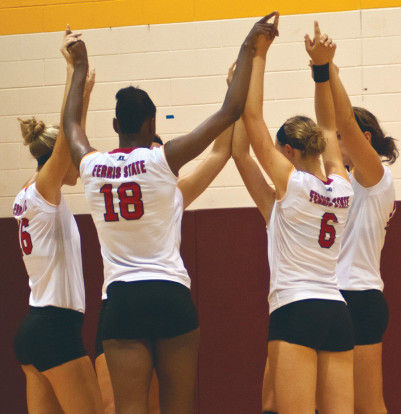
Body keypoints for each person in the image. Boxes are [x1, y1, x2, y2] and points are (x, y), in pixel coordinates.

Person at [63, 14, 278, 414]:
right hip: (169, 295)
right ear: (152, 123)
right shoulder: (163, 160)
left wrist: (78, 67)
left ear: (114, 124)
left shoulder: (91, 166)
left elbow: (71, 125)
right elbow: (230, 111)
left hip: (122, 299)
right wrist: (250, 45)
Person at [237, 19, 355, 413]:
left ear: (287, 151)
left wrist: (260, 54)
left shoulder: (292, 186)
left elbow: (253, 121)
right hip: (337, 311)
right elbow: (330, 125)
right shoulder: (341, 186)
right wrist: (321, 71)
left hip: (295, 309)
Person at [94, 127, 234, 414]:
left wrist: (235, 104)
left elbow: (219, 154)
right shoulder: (110, 184)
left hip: (157, 299)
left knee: (158, 404)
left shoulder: (175, 196)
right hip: (117, 303)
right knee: (112, 405)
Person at [12, 27, 102, 414]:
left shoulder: (30, 192)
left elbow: (69, 134)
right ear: (54, 161)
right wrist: (72, 73)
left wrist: (84, 96)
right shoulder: (43, 190)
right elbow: (67, 142)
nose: (79, 166)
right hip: (55, 331)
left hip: (35, 331)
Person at [324, 28, 398, 414]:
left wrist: (328, 69)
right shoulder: (340, 183)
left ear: (363, 139)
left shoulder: (375, 178)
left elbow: (345, 124)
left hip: (360, 296)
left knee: (367, 405)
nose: (333, 141)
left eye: (340, 136)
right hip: (330, 298)